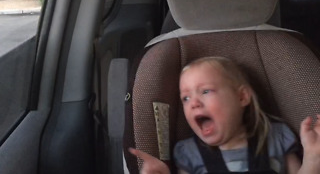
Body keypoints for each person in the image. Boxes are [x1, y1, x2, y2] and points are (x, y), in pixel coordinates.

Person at [129, 56, 320, 174]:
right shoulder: (189, 154)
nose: (194, 103)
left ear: (242, 97)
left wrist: (313, 157)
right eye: (185, 98)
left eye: (205, 91)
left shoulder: (276, 137)